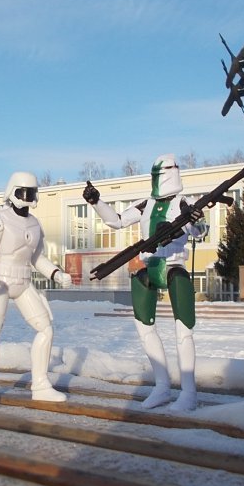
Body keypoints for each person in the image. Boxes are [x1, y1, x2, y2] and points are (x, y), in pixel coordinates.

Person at [83, 154, 207, 411]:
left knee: (183, 330)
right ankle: (161, 386)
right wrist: (96, 202)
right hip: (148, 267)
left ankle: (189, 392)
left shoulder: (183, 202)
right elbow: (116, 221)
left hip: (174, 265)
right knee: (144, 327)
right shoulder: (145, 204)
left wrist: (196, 219)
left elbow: (200, 232)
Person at [0, 171, 73, 405]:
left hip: (24, 283)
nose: (28, 197)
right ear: (13, 191)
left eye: (32, 192)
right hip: (1, 283)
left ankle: (40, 384)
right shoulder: (0, 219)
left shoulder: (35, 224)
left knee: (45, 329)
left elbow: (37, 258)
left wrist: (56, 274)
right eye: (24, 192)